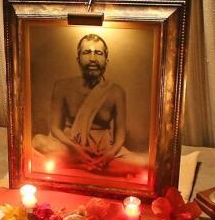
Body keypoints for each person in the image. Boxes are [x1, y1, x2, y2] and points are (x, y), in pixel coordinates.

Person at [31, 33, 144, 175]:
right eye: (86, 53)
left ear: (106, 60)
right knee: (38, 141)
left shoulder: (116, 91)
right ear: (78, 59)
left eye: (98, 53)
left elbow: (120, 134)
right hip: (70, 144)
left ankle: (81, 164)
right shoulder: (62, 86)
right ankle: (93, 166)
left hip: (102, 148)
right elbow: (55, 127)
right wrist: (75, 148)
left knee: (141, 163)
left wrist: (109, 154)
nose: (92, 59)